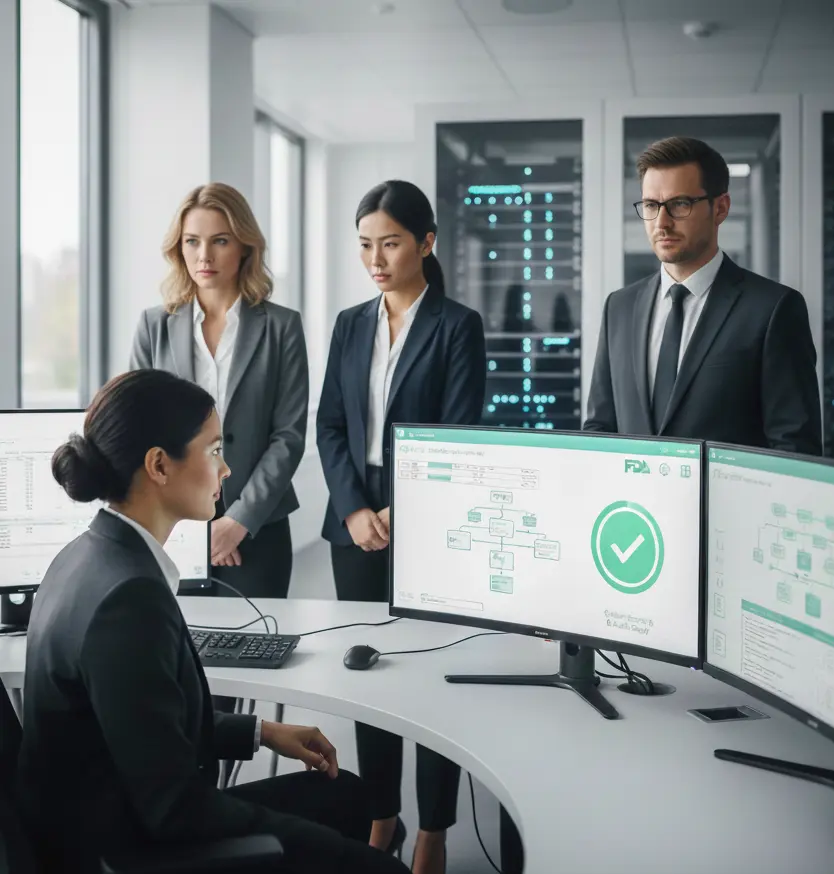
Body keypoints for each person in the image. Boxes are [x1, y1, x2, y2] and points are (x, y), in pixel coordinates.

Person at [16, 369, 409, 874]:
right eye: (215, 449)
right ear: (159, 465)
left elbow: (142, 727)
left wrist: (261, 731)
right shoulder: (127, 600)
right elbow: (175, 807)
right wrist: (325, 849)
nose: (228, 470)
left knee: (348, 797)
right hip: (123, 849)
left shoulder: (90, 554)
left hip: (116, 811)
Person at [316, 180, 486, 874]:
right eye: (364, 245)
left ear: (426, 242)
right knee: (369, 676)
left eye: (389, 242)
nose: (376, 258)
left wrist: (400, 509)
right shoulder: (351, 323)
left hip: (430, 514)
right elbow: (330, 424)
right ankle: (381, 813)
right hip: (354, 520)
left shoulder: (456, 325)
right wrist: (356, 509)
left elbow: (461, 432)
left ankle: (435, 830)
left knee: (427, 673)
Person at [583, 136, 822, 455]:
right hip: (636, 506)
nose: (661, 223)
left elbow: (795, 449)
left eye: (679, 204)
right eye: (651, 206)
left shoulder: (773, 309)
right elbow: (600, 430)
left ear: (720, 208)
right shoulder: (620, 307)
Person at [130, 182, 308, 600]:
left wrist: (238, 521)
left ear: (244, 247)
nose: (204, 255)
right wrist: (195, 525)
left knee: (255, 653)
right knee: (178, 651)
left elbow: (289, 435)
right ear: (180, 248)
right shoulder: (153, 326)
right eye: (192, 241)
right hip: (174, 525)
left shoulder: (281, 327)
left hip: (258, 527)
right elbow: (137, 430)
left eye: (220, 241)